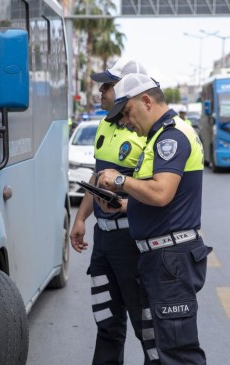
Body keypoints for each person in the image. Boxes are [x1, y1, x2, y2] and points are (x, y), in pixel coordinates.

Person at [96, 73, 212, 365]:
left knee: (177, 352)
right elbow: (154, 198)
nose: (125, 121)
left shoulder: (171, 136)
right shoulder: (157, 138)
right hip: (159, 257)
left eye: (127, 112)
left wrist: (120, 179)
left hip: (169, 258)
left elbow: (161, 193)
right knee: (162, 347)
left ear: (146, 101)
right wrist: (126, 205)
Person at [69, 58, 156, 364]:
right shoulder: (103, 125)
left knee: (147, 331)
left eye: (107, 86)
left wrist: (125, 203)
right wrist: (81, 219)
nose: (101, 92)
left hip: (133, 244)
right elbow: (97, 178)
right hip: (103, 244)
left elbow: (157, 192)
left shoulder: (146, 131)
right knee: (106, 324)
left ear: (124, 89)